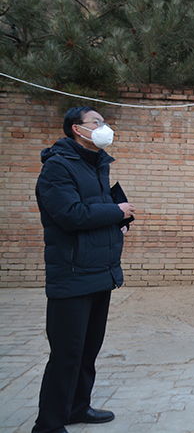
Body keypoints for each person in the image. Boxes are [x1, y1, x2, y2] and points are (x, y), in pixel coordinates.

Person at [33, 106, 135, 433]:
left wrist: (116, 223)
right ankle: (48, 425)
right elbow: (71, 215)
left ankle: (77, 407)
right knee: (67, 354)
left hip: (99, 272)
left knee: (88, 350)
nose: (104, 127)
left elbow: (95, 212)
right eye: (97, 122)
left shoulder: (96, 165)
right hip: (72, 274)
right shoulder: (58, 167)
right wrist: (116, 212)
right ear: (78, 129)